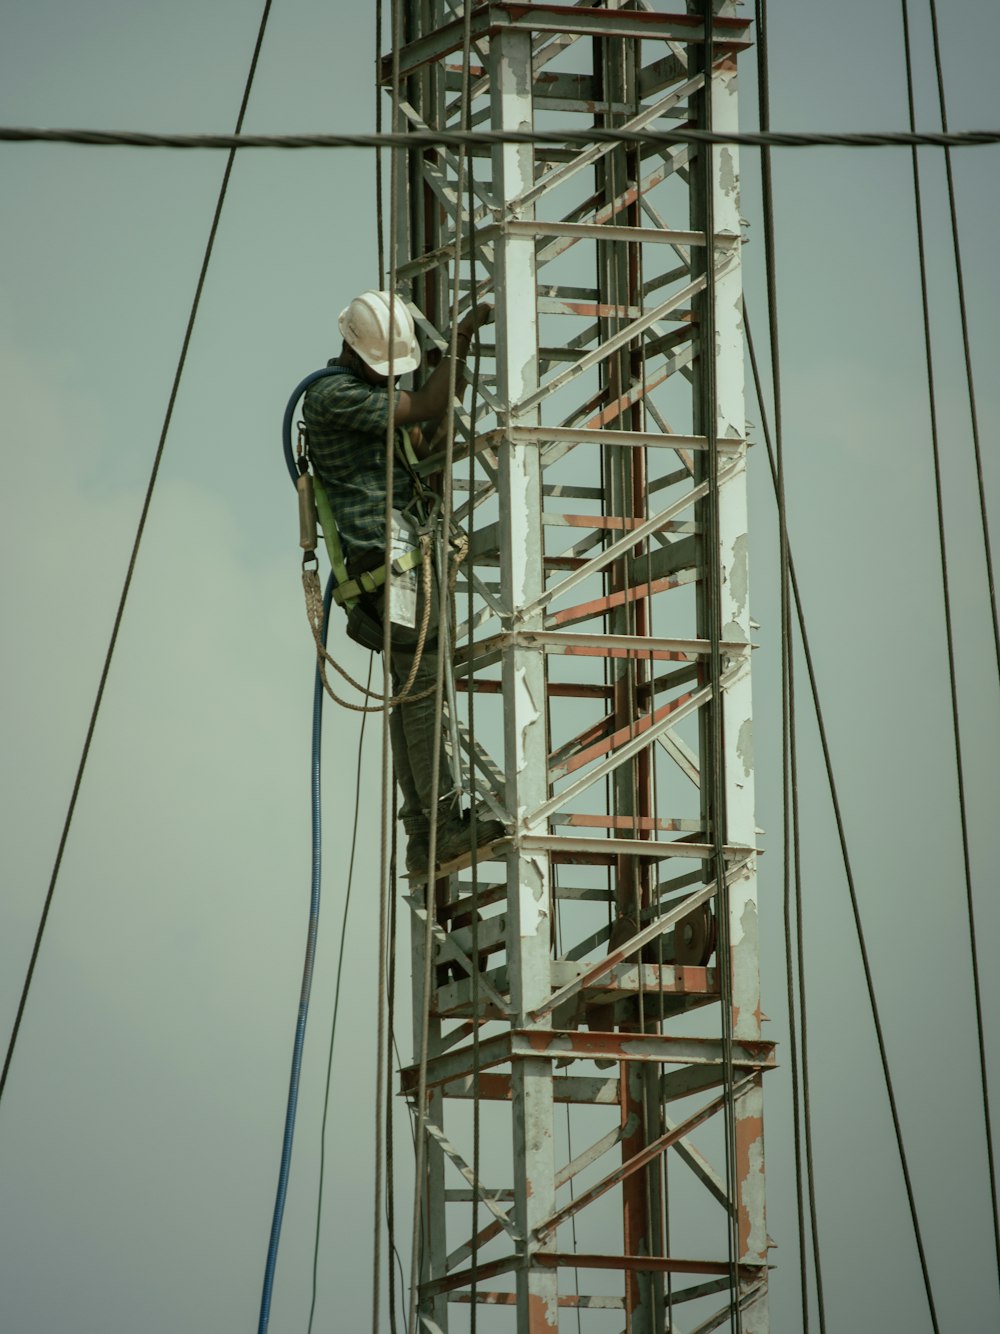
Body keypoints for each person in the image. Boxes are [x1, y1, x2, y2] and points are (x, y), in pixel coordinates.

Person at [302, 290, 503, 875]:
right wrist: (460, 341)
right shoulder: (332, 394)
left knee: (410, 690)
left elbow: (425, 420)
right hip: (389, 568)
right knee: (421, 689)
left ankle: (423, 831)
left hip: (392, 566)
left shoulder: (363, 394)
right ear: (352, 348)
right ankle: (438, 825)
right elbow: (427, 404)